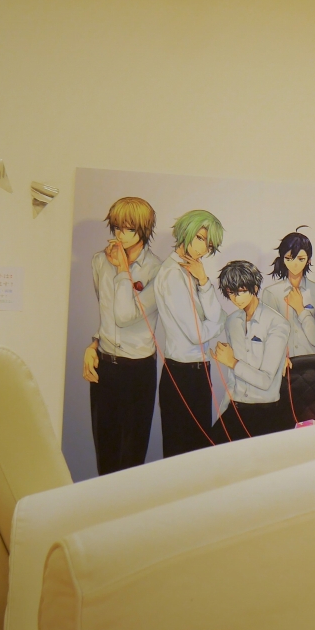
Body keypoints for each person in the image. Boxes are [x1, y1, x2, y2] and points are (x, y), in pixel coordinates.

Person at [82, 196, 163, 475]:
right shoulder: (99, 261)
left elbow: (125, 316)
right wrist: (93, 344)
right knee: (105, 455)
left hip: (138, 369)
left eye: (129, 229)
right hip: (105, 366)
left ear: (144, 230)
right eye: (117, 227)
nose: (121, 234)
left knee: (131, 460)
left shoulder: (157, 270)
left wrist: (122, 271)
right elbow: (106, 312)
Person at [153, 209, 227, 456]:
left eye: (209, 244)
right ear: (185, 232)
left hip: (197, 371)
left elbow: (214, 317)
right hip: (183, 374)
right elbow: (198, 333)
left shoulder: (192, 271)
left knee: (198, 453)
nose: (203, 248)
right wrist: (218, 323)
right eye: (200, 238)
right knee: (182, 454)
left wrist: (204, 281)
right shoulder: (173, 275)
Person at [212, 260, 292, 437]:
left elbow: (266, 381)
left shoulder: (277, 324)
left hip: (265, 412)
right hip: (235, 408)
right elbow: (232, 380)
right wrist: (222, 413)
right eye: (231, 292)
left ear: (255, 288)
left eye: (241, 291)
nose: (236, 298)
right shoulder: (231, 321)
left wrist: (232, 362)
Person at [261, 228, 315, 421]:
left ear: (309, 260)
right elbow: (268, 335)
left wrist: (301, 310)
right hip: (282, 370)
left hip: (312, 369)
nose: (295, 264)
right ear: (282, 258)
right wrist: (279, 357)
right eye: (289, 258)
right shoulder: (271, 294)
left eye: (301, 258)